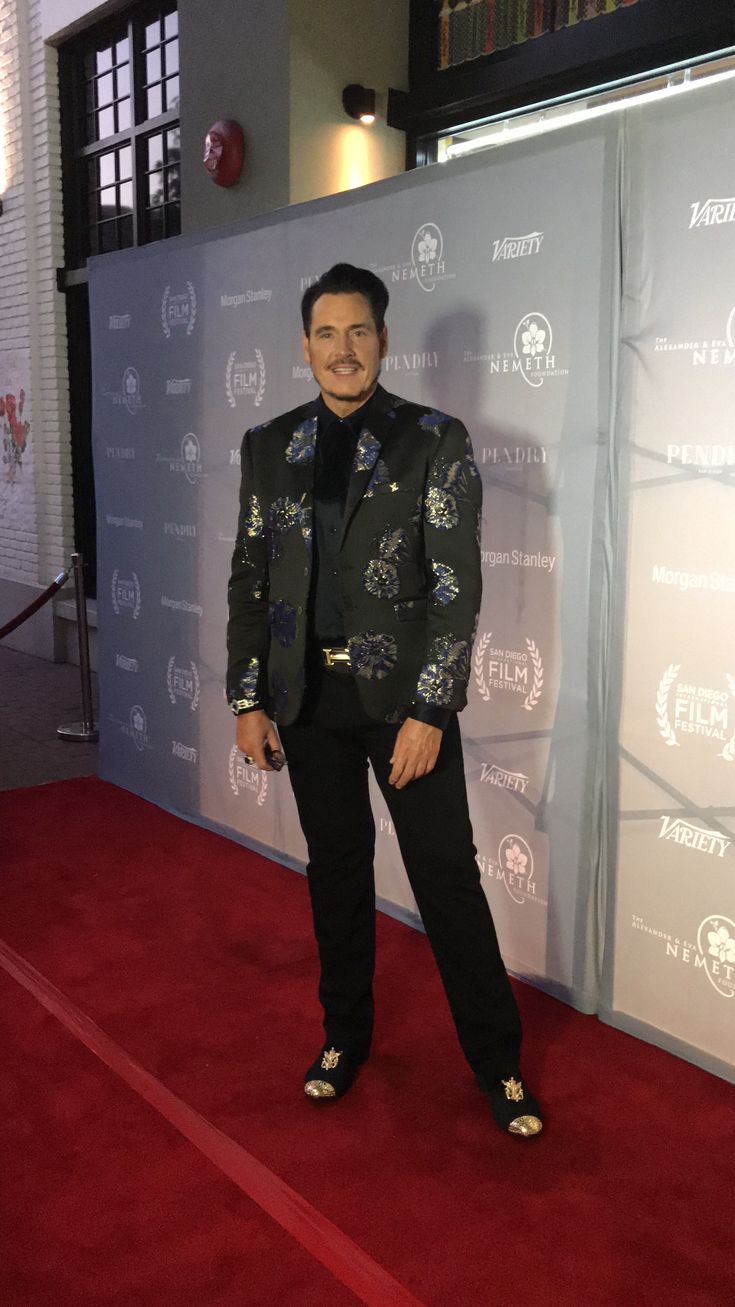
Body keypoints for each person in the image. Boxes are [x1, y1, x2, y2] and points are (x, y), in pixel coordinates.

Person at [226, 263, 542, 1137]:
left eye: (357, 331)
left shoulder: (431, 439)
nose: (342, 350)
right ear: (303, 346)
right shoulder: (268, 446)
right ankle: (343, 1037)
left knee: (445, 879)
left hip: (402, 706)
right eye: (325, 334)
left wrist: (430, 711)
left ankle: (498, 1064)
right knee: (335, 875)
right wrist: (247, 699)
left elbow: (455, 589)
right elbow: (250, 579)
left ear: (383, 341)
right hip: (306, 701)